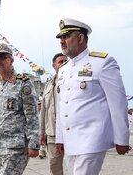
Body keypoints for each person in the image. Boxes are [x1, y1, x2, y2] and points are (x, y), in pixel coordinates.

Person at [55, 18, 131, 175]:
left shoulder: (102, 63)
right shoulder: (63, 69)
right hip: (70, 140)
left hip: (92, 138)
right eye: (61, 38)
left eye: (67, 36)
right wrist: (60, 138)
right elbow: (63, 105)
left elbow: (118, 103)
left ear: (81, 38)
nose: (62, 41)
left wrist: (122, 139)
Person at [0, 43, 39, 175]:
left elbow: (32, 115)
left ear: (11, 60)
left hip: (17, 147)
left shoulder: (23, 83)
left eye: (2, 57)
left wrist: (34, 143)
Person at [39, 53, 67, 175]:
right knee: (54, 167)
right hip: (52, 133)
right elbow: (43, 111)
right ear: (54, 65)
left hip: (70, 131)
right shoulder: (48, 85)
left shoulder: (73, 80)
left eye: (66, 61)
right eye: (61, 62)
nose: (64, 63)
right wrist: (41, 132)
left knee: (76, 166)